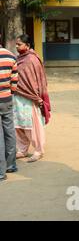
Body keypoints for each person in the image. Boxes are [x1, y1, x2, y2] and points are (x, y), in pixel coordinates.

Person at [14, 34, 50, 163]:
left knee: (32, 125)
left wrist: (37, 96)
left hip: (31, 97)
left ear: (27, 45)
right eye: (16, 44)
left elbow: (39, 79)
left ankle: (38, 150)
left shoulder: (32, 59)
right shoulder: (19, 58)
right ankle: (22, 149)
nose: (17, 46)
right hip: (17, 96)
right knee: (18, 125)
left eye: (19, 44)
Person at [0, 33, 18, 181]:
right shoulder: (11, 56)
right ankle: (11, 165)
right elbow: (14, 82)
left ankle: (1, 171)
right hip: (7, 98)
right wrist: (9, 92)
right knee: (9, 130)